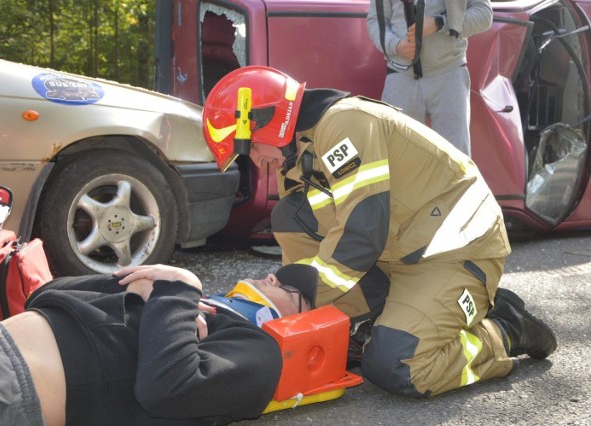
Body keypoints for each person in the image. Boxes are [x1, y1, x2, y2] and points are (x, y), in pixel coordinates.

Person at [201, 65, 557, 398]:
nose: (256, 161)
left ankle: (503, 329)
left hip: (454, 249)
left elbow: (362, 231)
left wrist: (299, 297)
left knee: (399, 365)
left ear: (266, 122)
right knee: (290, 215)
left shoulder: (345, 122)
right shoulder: (297, 156)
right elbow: (317, 241)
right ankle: (373, 320)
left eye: (248, 149)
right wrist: (305, 324)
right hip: (397, 253)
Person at [0, 263, 317, 425]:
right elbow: (43, 296)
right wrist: (131, 284)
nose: (267, 277)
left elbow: (169, 388)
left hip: (2, 383)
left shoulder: (257, 348)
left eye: (287, 288)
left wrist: (178, 286)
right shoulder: (170, 302)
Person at [366, 0, 493, 156]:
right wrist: (396, 46)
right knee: (397, 160)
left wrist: (440, 23)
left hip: (449, 75)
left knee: (455, 164)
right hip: (400, 76)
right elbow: (376, 21)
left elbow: (484, 15)